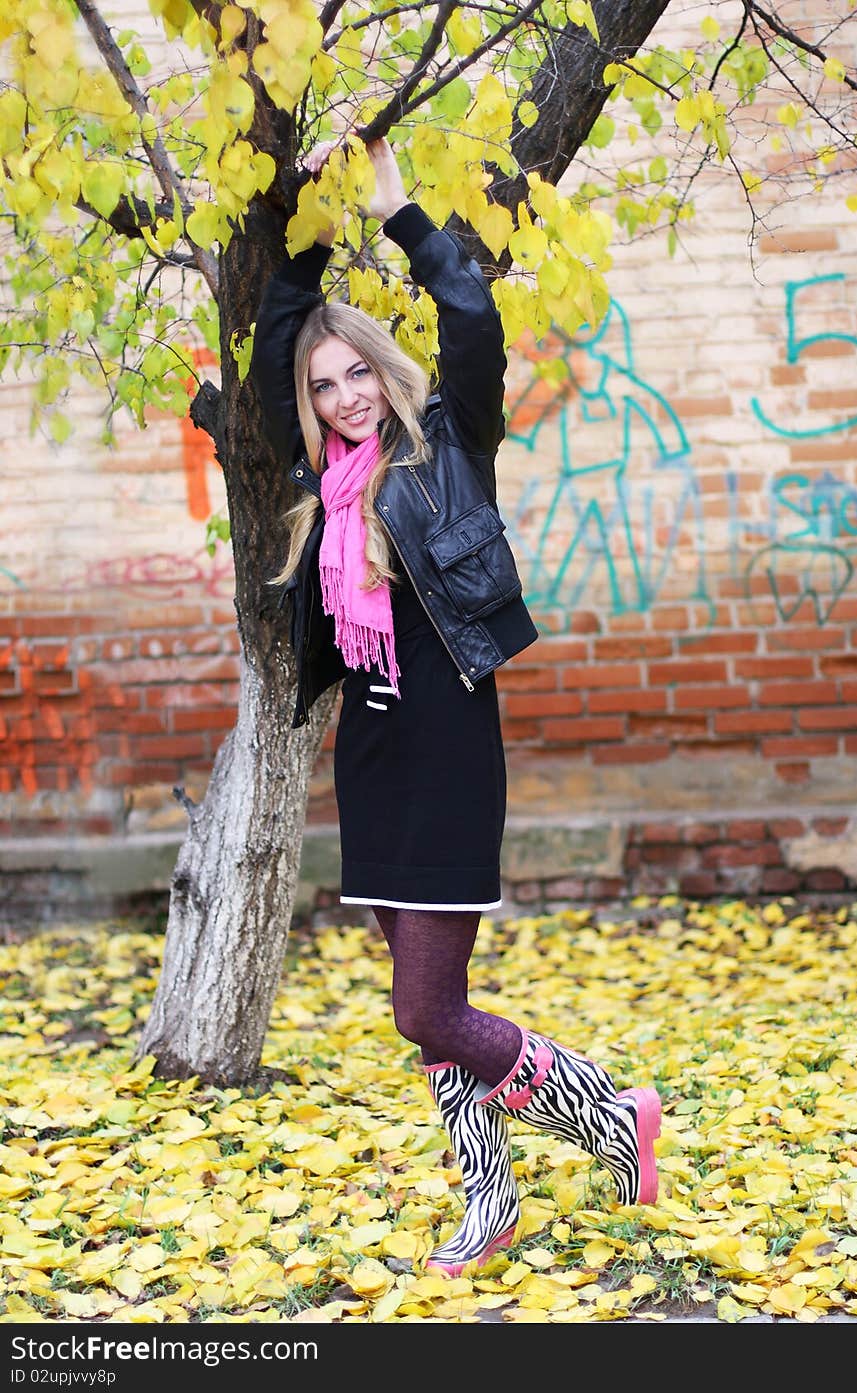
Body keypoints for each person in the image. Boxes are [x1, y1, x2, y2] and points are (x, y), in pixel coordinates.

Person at [251, 136, 661, 1277]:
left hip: (447, 753)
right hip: (371, 761)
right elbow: (274, 346)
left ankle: (611, 1118)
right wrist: (305, 231)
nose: (340, 398)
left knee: (425, 1011)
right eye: (322, 385)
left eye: (356, 376)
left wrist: (390, 208)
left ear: (385, 374)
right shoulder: (315, 485)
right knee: (435, 1010)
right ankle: (495, 1200)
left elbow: (470, 319)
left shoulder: (447, 448)